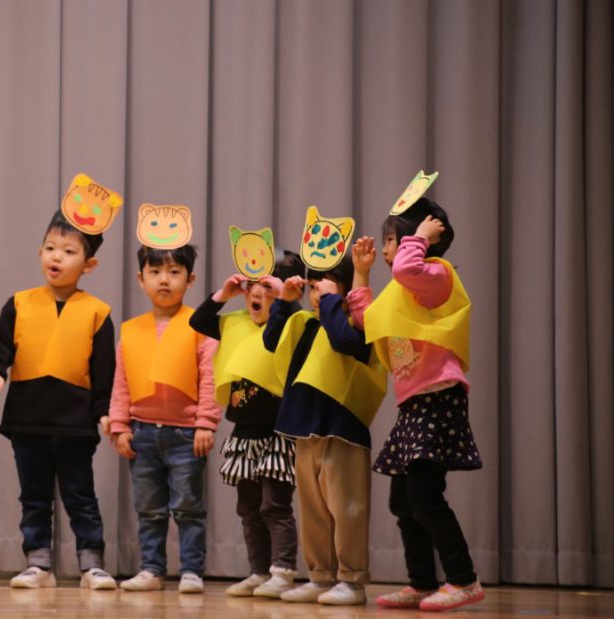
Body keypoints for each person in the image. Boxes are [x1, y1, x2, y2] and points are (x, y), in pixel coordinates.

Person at [348, 197, 484, 612]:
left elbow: (408, 268)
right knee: (403, 502)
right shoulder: (402, 290)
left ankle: (464, 579)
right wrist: (361, 272)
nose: (386, 248)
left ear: (417, 237)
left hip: (438, 396)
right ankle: (422, 582)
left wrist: (421, 237)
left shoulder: (436, 275)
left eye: (392, 239)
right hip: (413, 405)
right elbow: (367, 319)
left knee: (425, 496)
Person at [0, 211, 117, 591]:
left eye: (69, 251)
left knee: (80, 495)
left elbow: (104, 370)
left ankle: (91, 564)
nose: (56, 257)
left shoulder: (98, 312)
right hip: (27, 418)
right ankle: (38, 563)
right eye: (50, 248)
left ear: (88, 265)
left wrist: (104, 412)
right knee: (34, 497)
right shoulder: (19, 303)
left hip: (75, 422)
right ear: (40, 252)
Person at [263, 255, 386, 605]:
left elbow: (344, 342)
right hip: (305, 429)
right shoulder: (306, 324)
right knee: (313, 509)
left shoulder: (356, 323)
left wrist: (333, 300)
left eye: (327, 285)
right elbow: (272, 341)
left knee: (347, 508)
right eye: (314, 287)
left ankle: (352, 579)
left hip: (342, 429)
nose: (318, 294)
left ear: (345, 289)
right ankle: (321, 575)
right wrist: (285, 302)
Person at [187, 251, 304, 598]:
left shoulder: (291, 323)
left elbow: (295, 325)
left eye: (267, 286)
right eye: (252, 284)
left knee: (275, 506)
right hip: (244, 431)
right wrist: (223, 294)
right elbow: (198, 320)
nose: (256, 292)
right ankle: (258, 571)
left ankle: (282, 571)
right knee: (249, 508)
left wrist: (286, 299)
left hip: (278, 432)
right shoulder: (233, 322)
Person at [108, 243, 220, 594]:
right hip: (142, 432)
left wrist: (205, 422)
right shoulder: (131, 330)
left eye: (174, 272)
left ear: (190, 279)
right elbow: (122, 381)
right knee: (149, 509)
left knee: (188, 507)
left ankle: (191, 571)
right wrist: (119, 425)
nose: (164, 280)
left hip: (186, 435)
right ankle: (152, 569)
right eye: (154, 272)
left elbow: (210, 377)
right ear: (141, 279)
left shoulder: (199, 325)